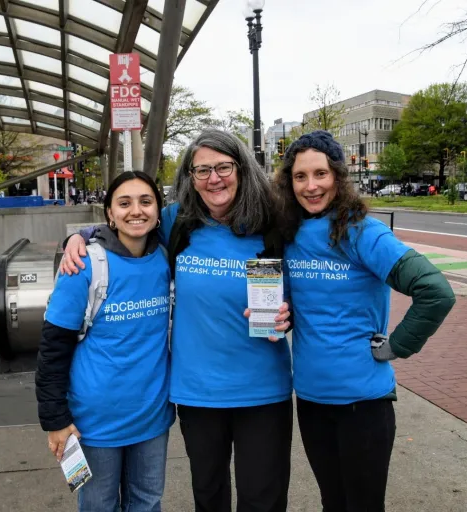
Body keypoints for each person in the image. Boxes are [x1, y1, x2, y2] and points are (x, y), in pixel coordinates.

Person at [61, 129, 293, 512]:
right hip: (196, 392)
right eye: (201, 170)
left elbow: (302, 289)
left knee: (263, 499)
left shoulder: (273, 224)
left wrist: (289, 314)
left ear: (241, 168)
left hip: (262, 391)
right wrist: (79, 237)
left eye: (222, 167)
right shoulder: (178, 222)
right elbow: (130, 221)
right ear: (190, 177)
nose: (213, 178)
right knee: (208, 494)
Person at [274, 131, 456, 512]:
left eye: (320, 174)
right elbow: (292, 303)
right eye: (300, 176)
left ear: (338, 177)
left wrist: (396, 346)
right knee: (333, 503)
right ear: (288, 182)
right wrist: (279, 317)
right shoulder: (289, 235)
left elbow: (435, 291)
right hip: (310, 399)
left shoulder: (363, 232)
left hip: (364, 404)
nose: (311, 186)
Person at [36, 171, 175, 512]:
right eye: (123, 203)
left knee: (147, 503)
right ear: (110, 214)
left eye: (146, 201)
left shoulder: (165, 260)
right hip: (93, 426)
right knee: (98, 506)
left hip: (152, 418)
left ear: (159, 210)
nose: (135, 211)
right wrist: (55, 421)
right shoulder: (83, 265)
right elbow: (52, 349)